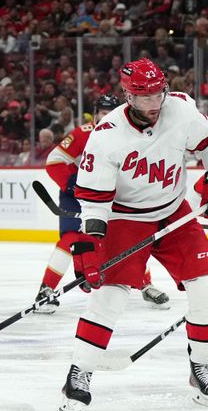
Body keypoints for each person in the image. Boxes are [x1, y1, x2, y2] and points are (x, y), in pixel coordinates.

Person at [60, 59, 208, 411]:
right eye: (144, 98)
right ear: (128, 96)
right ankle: (79, 372)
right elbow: (94, 205)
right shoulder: (107, 135)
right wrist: (91, 243)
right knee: (109, 295)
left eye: (158, 93)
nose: (154, 104)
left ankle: (200, 366)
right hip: (125, 219)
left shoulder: (181, 110)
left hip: (174, 212)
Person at [35, 93, 171, 315]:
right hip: (78, 193)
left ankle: (145, 284)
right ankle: (46, 289)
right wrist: (74, 186)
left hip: (111, 194)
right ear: (96, 114)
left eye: (112, 114)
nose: (107, 118)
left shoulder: (130, 133)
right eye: (103, 114)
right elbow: (54, 161)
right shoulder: (83, 133)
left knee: (128, 238)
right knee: (70, 239)